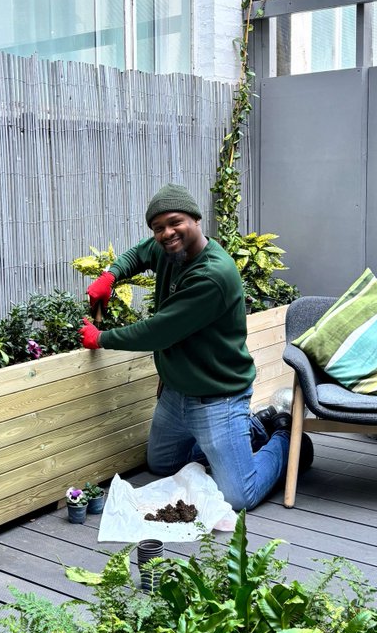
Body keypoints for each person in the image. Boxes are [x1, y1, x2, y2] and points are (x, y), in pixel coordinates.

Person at [78, 183, 311, 511]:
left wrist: (101, 338)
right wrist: (110, 275)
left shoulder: (212, 275)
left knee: (237, 497)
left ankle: (286, 440)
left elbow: (160, 332)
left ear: (196, 220)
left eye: (175, 222)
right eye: (158, 228)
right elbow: (141, 252)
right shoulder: (169, 250)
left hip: (218, 398)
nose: (166, 233)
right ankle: (256, 427)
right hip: (176, 395)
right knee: (162, 465)